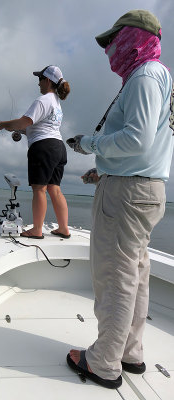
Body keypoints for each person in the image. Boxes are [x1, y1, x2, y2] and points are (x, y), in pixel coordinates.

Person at [66, 10, 174, 389]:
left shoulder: (144, 77)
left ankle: (103, 362)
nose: (110, 49)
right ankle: (130, 352)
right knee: (135, 274)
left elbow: (136, 140)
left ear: (134, 37)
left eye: (114, 39)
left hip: (128, 196)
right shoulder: (159, 77)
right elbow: (149, 147)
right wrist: (105, 169)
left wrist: (89, 144)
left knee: (115, 275)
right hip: (142, 189)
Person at [0, 65, 71, 239]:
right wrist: (19, 130)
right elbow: (36, 126)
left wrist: (3, 124)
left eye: (39, 80)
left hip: (43, 148)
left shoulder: (43, 100)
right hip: (58, 147)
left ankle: (37, 230)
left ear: (47, 81)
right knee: (55, 189)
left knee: (39, 189)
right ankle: (63, 228)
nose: (38, 84)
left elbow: (23, 122)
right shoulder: (57, 104)